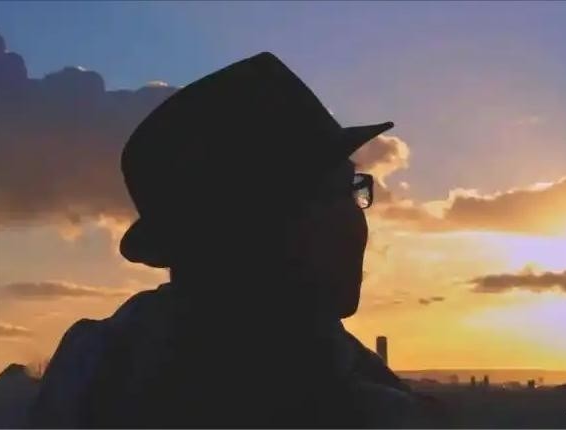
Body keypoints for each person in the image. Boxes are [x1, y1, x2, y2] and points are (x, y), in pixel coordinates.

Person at [29, 52, 427, 428]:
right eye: (333, 194)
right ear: (247, 232)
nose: (355, 223)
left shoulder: (94, 373)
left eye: (354, 190)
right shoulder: (356, 407)